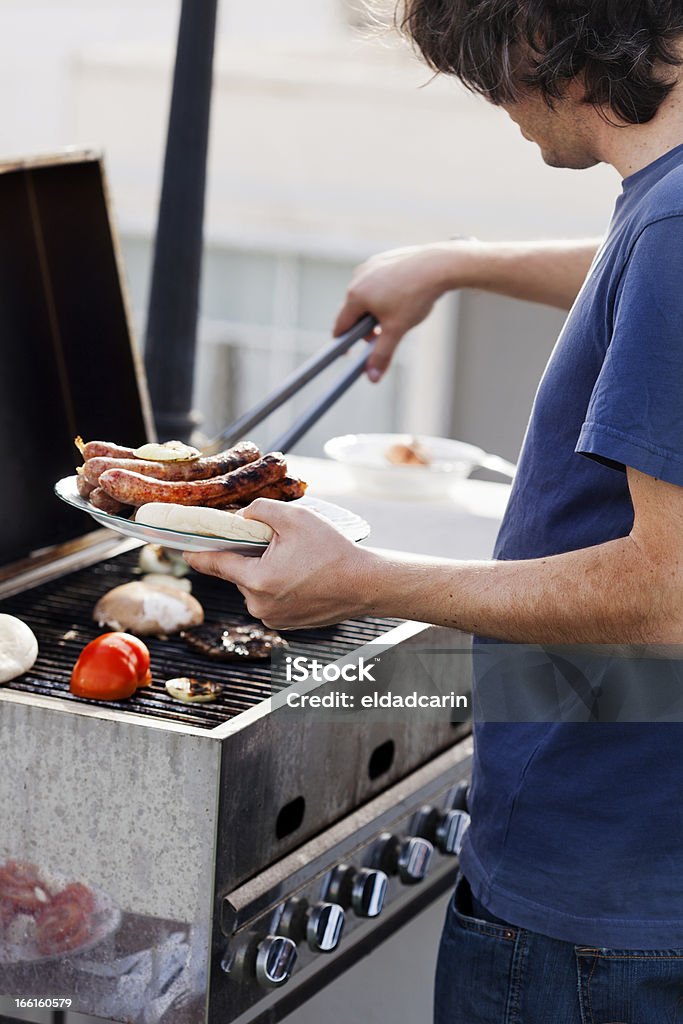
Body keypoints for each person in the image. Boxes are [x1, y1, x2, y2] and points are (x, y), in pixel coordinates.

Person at [186, 1, 683, 1020]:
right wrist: (458, 260)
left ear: (539, 39)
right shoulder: (663, 204)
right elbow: (636, 287)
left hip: (596, 903)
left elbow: (669, 594)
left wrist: (364, 581)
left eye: (481, 71)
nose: (491, 105)